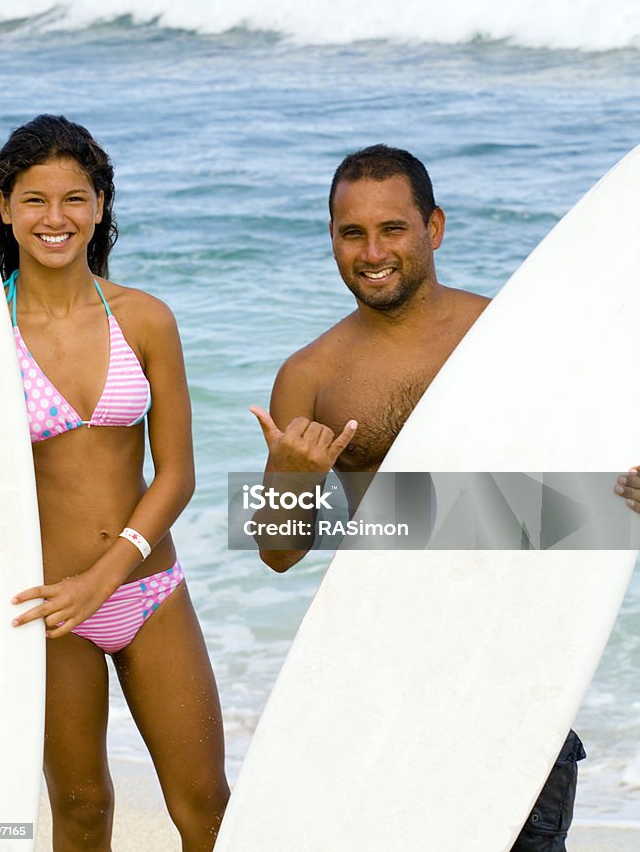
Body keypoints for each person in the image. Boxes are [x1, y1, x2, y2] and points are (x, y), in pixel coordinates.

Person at [249, 143, 638, 851]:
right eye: (350, 232)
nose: (371, 252)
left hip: (513, 656)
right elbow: (277, 554)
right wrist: (287, 481)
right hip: (381, 663)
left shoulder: (510, 337)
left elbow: (588, 482)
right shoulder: (308, 374)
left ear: (433, 227)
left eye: (391, 228)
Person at [0, 115, 229, 852]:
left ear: (99, 206)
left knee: (208, 807)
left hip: (148, 591)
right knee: (82, 811)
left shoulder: (145, 319)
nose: (55, 218)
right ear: (2, 207)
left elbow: (177, 474)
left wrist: (109, 572)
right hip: (47, 606)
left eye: (74, 199)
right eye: (33, 200)